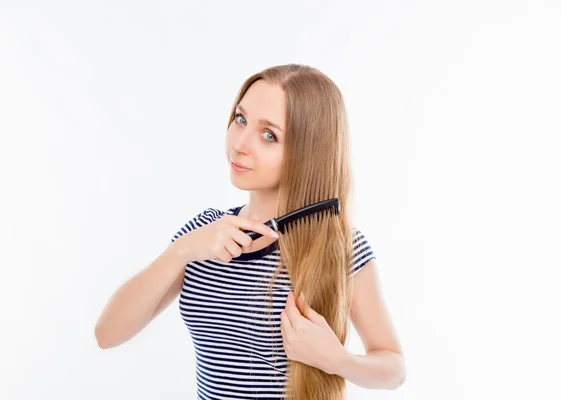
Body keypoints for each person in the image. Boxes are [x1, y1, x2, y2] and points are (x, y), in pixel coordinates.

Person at [94, 64, 406, 399]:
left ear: (308, 153)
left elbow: (393, 370)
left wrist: (339, 361)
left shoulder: (340, 247)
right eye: (240, 119)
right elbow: (107, 335)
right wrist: (180, 251)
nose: (240, 143)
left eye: (269, 135)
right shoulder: (204, 233)